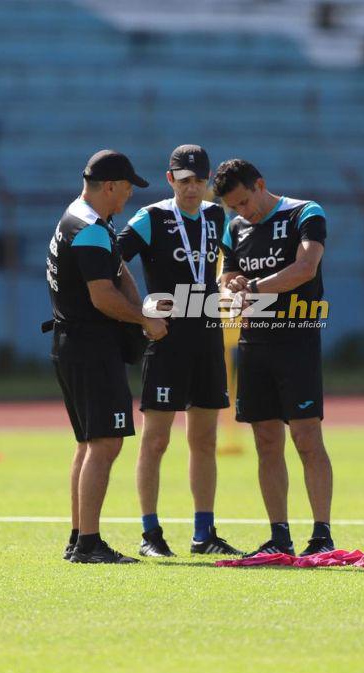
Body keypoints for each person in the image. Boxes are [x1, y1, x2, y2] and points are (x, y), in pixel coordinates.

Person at [118, 145, 242, 557]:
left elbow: (233, 264)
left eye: (199, 181)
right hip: (166, 342)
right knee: (155, 441)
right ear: (170, 179)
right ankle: (150, 534)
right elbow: (111, 261)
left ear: (208, 183)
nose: (192, 188)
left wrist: (232, 282)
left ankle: (204, 534)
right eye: (184, 181)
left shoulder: (217, 217)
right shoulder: (151, 217)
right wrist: (139, 312)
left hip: (207, 340)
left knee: (204, 440)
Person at [46, 149, 168, 564]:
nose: (130, 194)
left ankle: (79, 537)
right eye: (128, 187)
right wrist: (143, 319)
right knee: (105, 443)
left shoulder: (80, 218)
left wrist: (140, 309)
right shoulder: (90, 229)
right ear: (111, 186)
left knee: (88, 443)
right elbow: (102, 296)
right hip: (90, 346)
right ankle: (88, 544)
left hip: (72, 343)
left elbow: (116, 270)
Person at [213, 158, 335, 557]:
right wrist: (232, 287)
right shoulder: (235, 227)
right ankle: (279, 535)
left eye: (245, 201)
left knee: (306, 438)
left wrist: (254, 288)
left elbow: (306, 267)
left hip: (297, 341)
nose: (242, 211)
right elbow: (225, 277)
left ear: (260, 185)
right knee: (266, 442)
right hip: (253, 344)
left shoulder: (305, 213)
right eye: (234, 206)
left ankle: (321, 535)